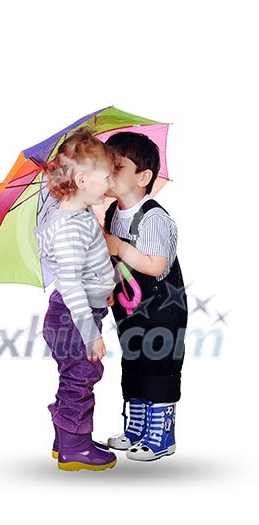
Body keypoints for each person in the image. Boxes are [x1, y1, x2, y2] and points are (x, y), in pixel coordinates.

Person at [33, 128, 117, 471]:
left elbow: (87, 268)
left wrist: (104, 287)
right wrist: (90, 333)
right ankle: (75, 447)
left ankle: (65, 438)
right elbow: (69, 283)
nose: (110, 184)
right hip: (73, 318)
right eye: (106, 177)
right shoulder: (69, 226)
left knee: (74, 376)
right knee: (82, 376)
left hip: (76, 313)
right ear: (81, 180)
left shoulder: (77, 215)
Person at [103, 131, 188, 461]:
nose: (108, 174)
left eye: (118, 167)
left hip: (161, 308)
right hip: (129, 308)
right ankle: (137, 425)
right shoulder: (112, 213)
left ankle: (161, 434)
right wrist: (110, 288)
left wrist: (120, 246)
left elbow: (156, 265)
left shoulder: (154, 217)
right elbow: (115, 263)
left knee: (159, 363)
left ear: (144, 176)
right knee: (133, 361)